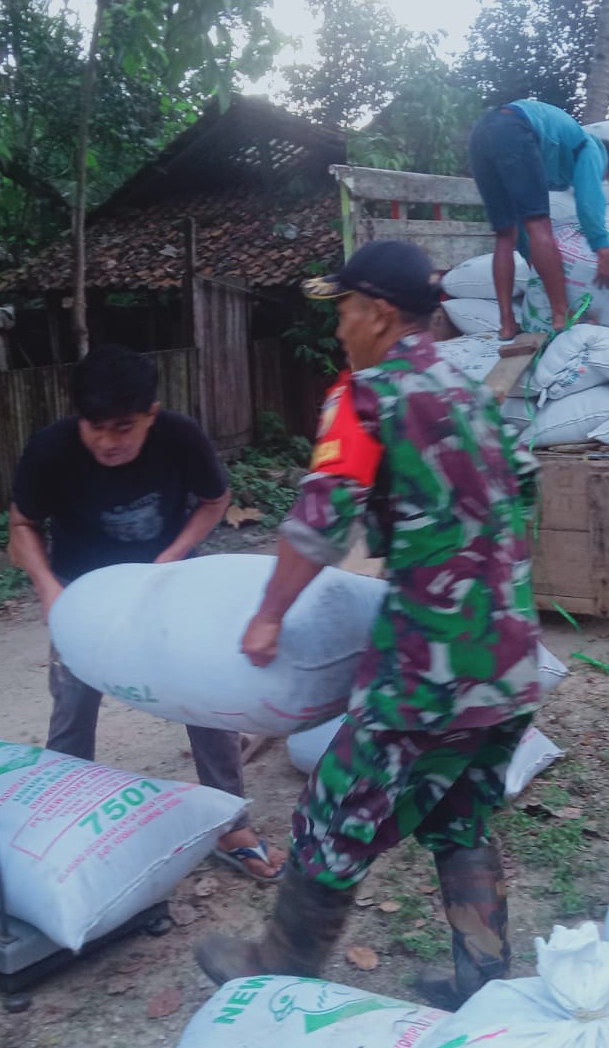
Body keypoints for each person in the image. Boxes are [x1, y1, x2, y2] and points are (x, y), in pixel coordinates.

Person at [193, 240, 542, 1009]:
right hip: (512, 658)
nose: (339, 326)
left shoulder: (366, 395)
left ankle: (281, 961)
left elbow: (322, 517)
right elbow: (525, 489)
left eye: (345, 309)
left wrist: (267, 617)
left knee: (336, 805)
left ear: (380, 314)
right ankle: (483, 983)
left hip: (429, 672)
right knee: (458, 811)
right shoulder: (474, 390)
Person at [6, 344, 283, 880]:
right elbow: (22, 525)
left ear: (150, 415)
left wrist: (170, 558)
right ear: (79, 419)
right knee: (72, 707)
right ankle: (56, 831)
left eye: (123, 427)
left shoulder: (180, 437)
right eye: (96, 427)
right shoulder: (50, 449)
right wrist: (48, 589)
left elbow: (214, 501)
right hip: (81, 595)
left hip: (168, 585)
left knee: (203, 698)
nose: (109, 441)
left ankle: (229, 823)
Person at [468, 98, 609, 338]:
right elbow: (588, 201)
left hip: (480, 135)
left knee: (505, 235)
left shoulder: (554, 157)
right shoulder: (592, 149)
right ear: (608, 165)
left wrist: (535, 262)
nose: (599, 178)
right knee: (538, 224)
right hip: (515, 128)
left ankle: (507, 324)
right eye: (603, 176)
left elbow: (521, 228)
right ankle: (561, 315)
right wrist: (603, 249)